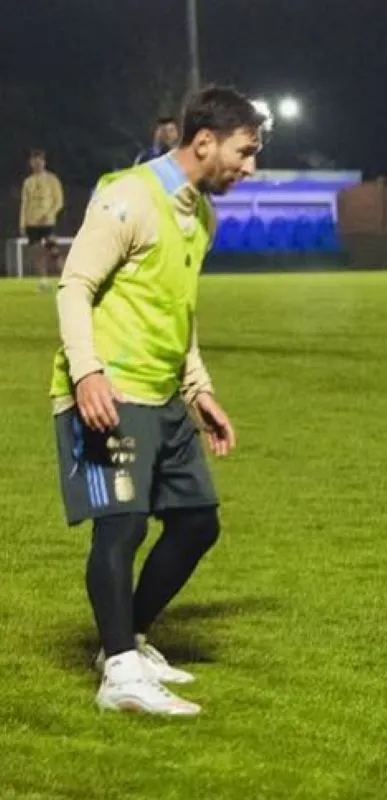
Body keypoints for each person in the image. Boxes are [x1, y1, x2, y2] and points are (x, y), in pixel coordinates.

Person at [52, 85, 265, 715]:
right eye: (245, 151)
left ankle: (126, 640)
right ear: (204, 142)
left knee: (198, 521)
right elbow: (74, 286)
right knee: (120, 528)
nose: (250, 166)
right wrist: (87, 373)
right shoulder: (126, 198)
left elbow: (180, 309)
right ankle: (118, 674)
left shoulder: (201, 214)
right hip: (107, 392)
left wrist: (199, 389)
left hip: (165, 395)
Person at [20, 148, 64, 292]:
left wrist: (50, 213)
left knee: (54, 252)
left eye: (40, 160)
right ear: (31, 163)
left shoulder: (52, 179)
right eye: (34, 161)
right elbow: (24, 203)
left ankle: (66, 280)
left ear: (44, 162)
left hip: (47, 222)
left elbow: (59, 201)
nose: (37, 163)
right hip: (32, 223)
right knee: (37, 253)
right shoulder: (28, 182)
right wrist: (22, 223)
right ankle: (43, 282)